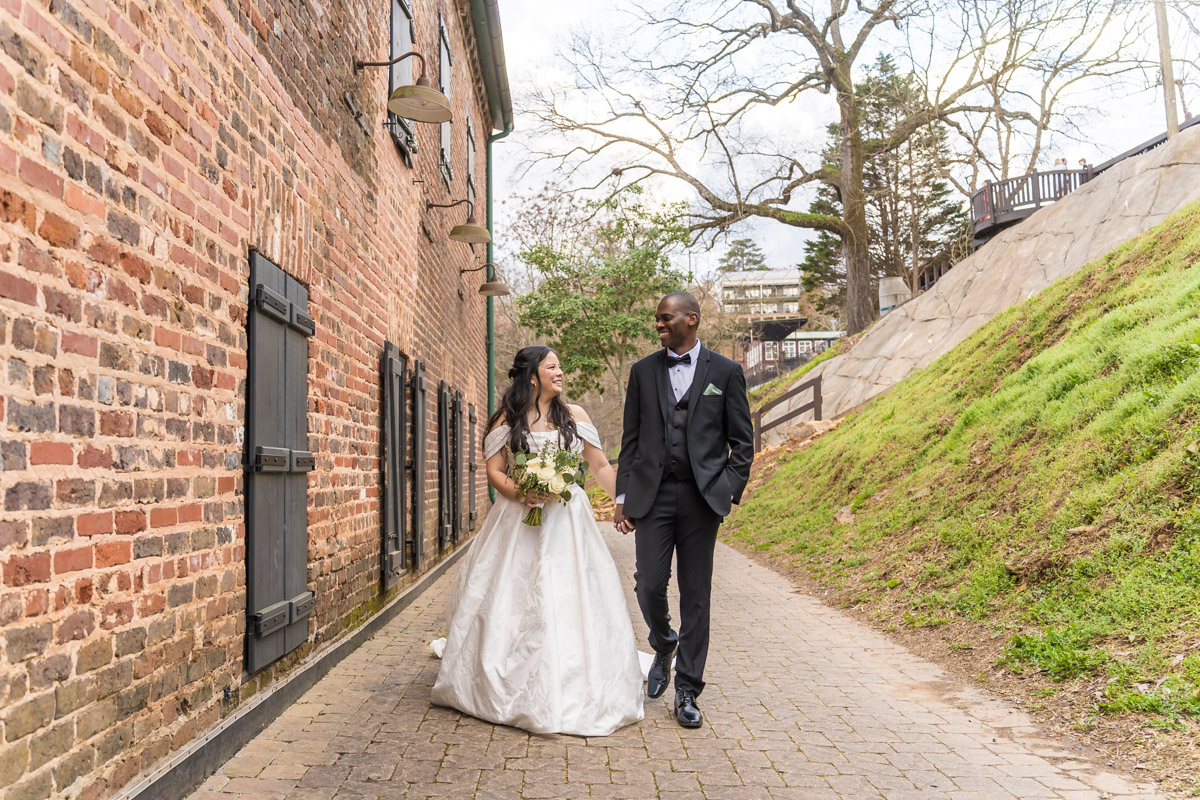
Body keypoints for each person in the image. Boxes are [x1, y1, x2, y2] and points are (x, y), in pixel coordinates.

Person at [430, 346, 645, 736]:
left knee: (568, 591)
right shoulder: (507, 419)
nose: (560, 372)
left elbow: (597, 464)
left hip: (568, 520)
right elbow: (494, 469)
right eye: (552, 367)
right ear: (532, 376)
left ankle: (572, 672)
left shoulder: (574, 415)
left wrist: (623, 503)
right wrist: (520, 492)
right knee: (512, 593)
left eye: (561, 365)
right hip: (518, 520)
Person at [614, 292, 754, 728]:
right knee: (648, 585)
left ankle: (688, 689)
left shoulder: (727, 372)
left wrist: (726, 489)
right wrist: (622, 498)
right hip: (652, 499)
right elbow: (631, 440)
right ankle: (663, 641)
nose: (658, 325)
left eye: (665, 318)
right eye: (656, 319)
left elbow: (743, 443)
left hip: (701, 500)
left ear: (690, 320)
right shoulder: (642, 371)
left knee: (696, 596)